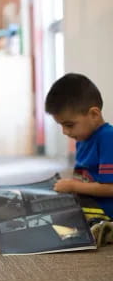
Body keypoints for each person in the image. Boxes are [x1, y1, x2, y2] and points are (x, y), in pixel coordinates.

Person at [45, 73, 113, 246]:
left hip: (105, 205)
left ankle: (103, 228)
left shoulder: (108, 138)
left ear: (94, 114)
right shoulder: (83, 138)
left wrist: (74, 186)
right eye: (61, 125)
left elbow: (110, 188)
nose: (65, 132)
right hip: (89, 199)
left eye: (69, 125)